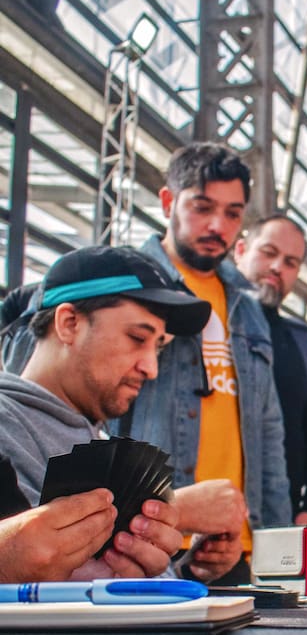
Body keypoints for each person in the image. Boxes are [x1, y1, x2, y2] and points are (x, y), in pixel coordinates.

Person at [126, 142, 290, 583]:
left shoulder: (248, 307)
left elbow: (268, 431)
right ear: (167, 202)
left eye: (233, 214)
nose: (219, 225)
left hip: (235, 547)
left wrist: (277, 547)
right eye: (202, 207)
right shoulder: (130, 290)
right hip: (150, 542)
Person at [0, 245, 209, 579]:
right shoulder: (8, 428)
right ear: (68, 324)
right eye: (137, 338)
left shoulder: (98, 438)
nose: (151, 367)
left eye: (158, 347)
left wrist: (182, 573)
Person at [234, 214, 307, 525]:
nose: (278, 267)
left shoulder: (303, 342)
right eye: (268, 252)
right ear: (240, 250)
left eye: (291, 262)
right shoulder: (208, 324)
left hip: (279, 519)